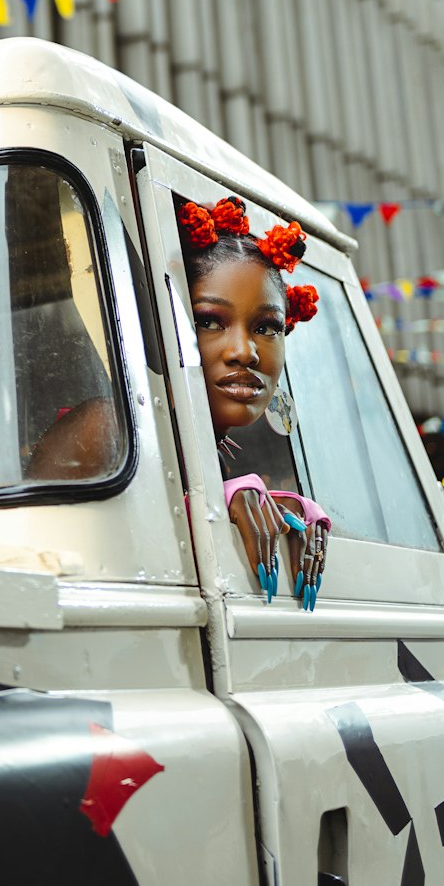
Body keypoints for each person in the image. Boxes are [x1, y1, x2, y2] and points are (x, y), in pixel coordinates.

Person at [178, 195, 330, 609]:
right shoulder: (107, 425)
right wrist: (215, 501)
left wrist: (284, 510)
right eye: (208, 321)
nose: (245, 351)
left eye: (266, 327)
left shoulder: (203, 450)